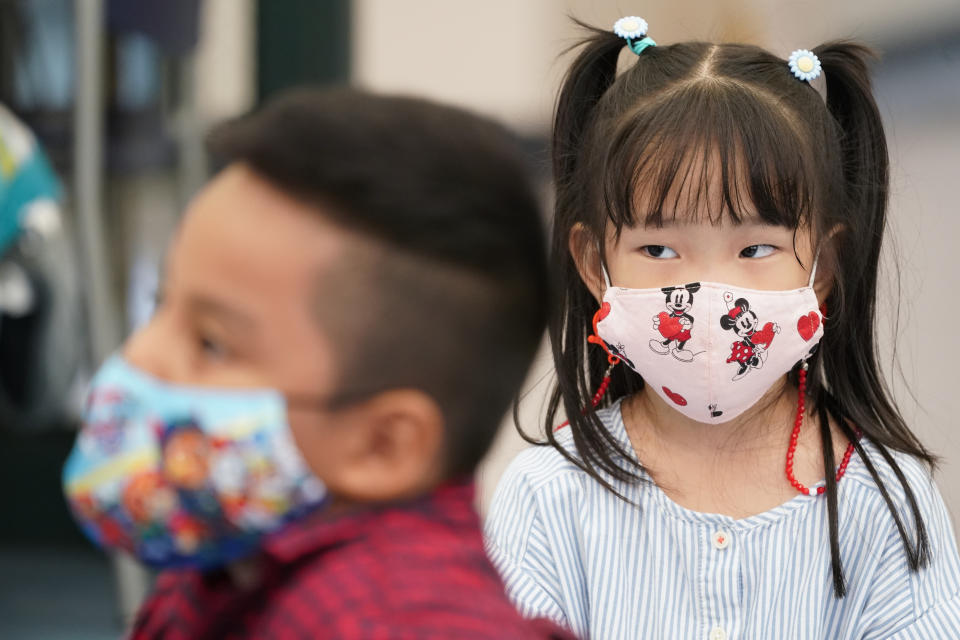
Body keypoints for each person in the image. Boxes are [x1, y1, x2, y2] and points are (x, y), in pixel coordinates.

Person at [484, 16, 960, 640]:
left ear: (823, 269)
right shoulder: (548, 497)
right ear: (594, 265)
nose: (708, 292)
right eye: (658, 250)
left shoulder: (885, 502)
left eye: (756, 249)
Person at [62, 88, 574, 639]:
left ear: (383, 444)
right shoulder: (235, 556)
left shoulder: (390, 624)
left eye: (212, 344)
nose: (141, 355)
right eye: (163, 304)